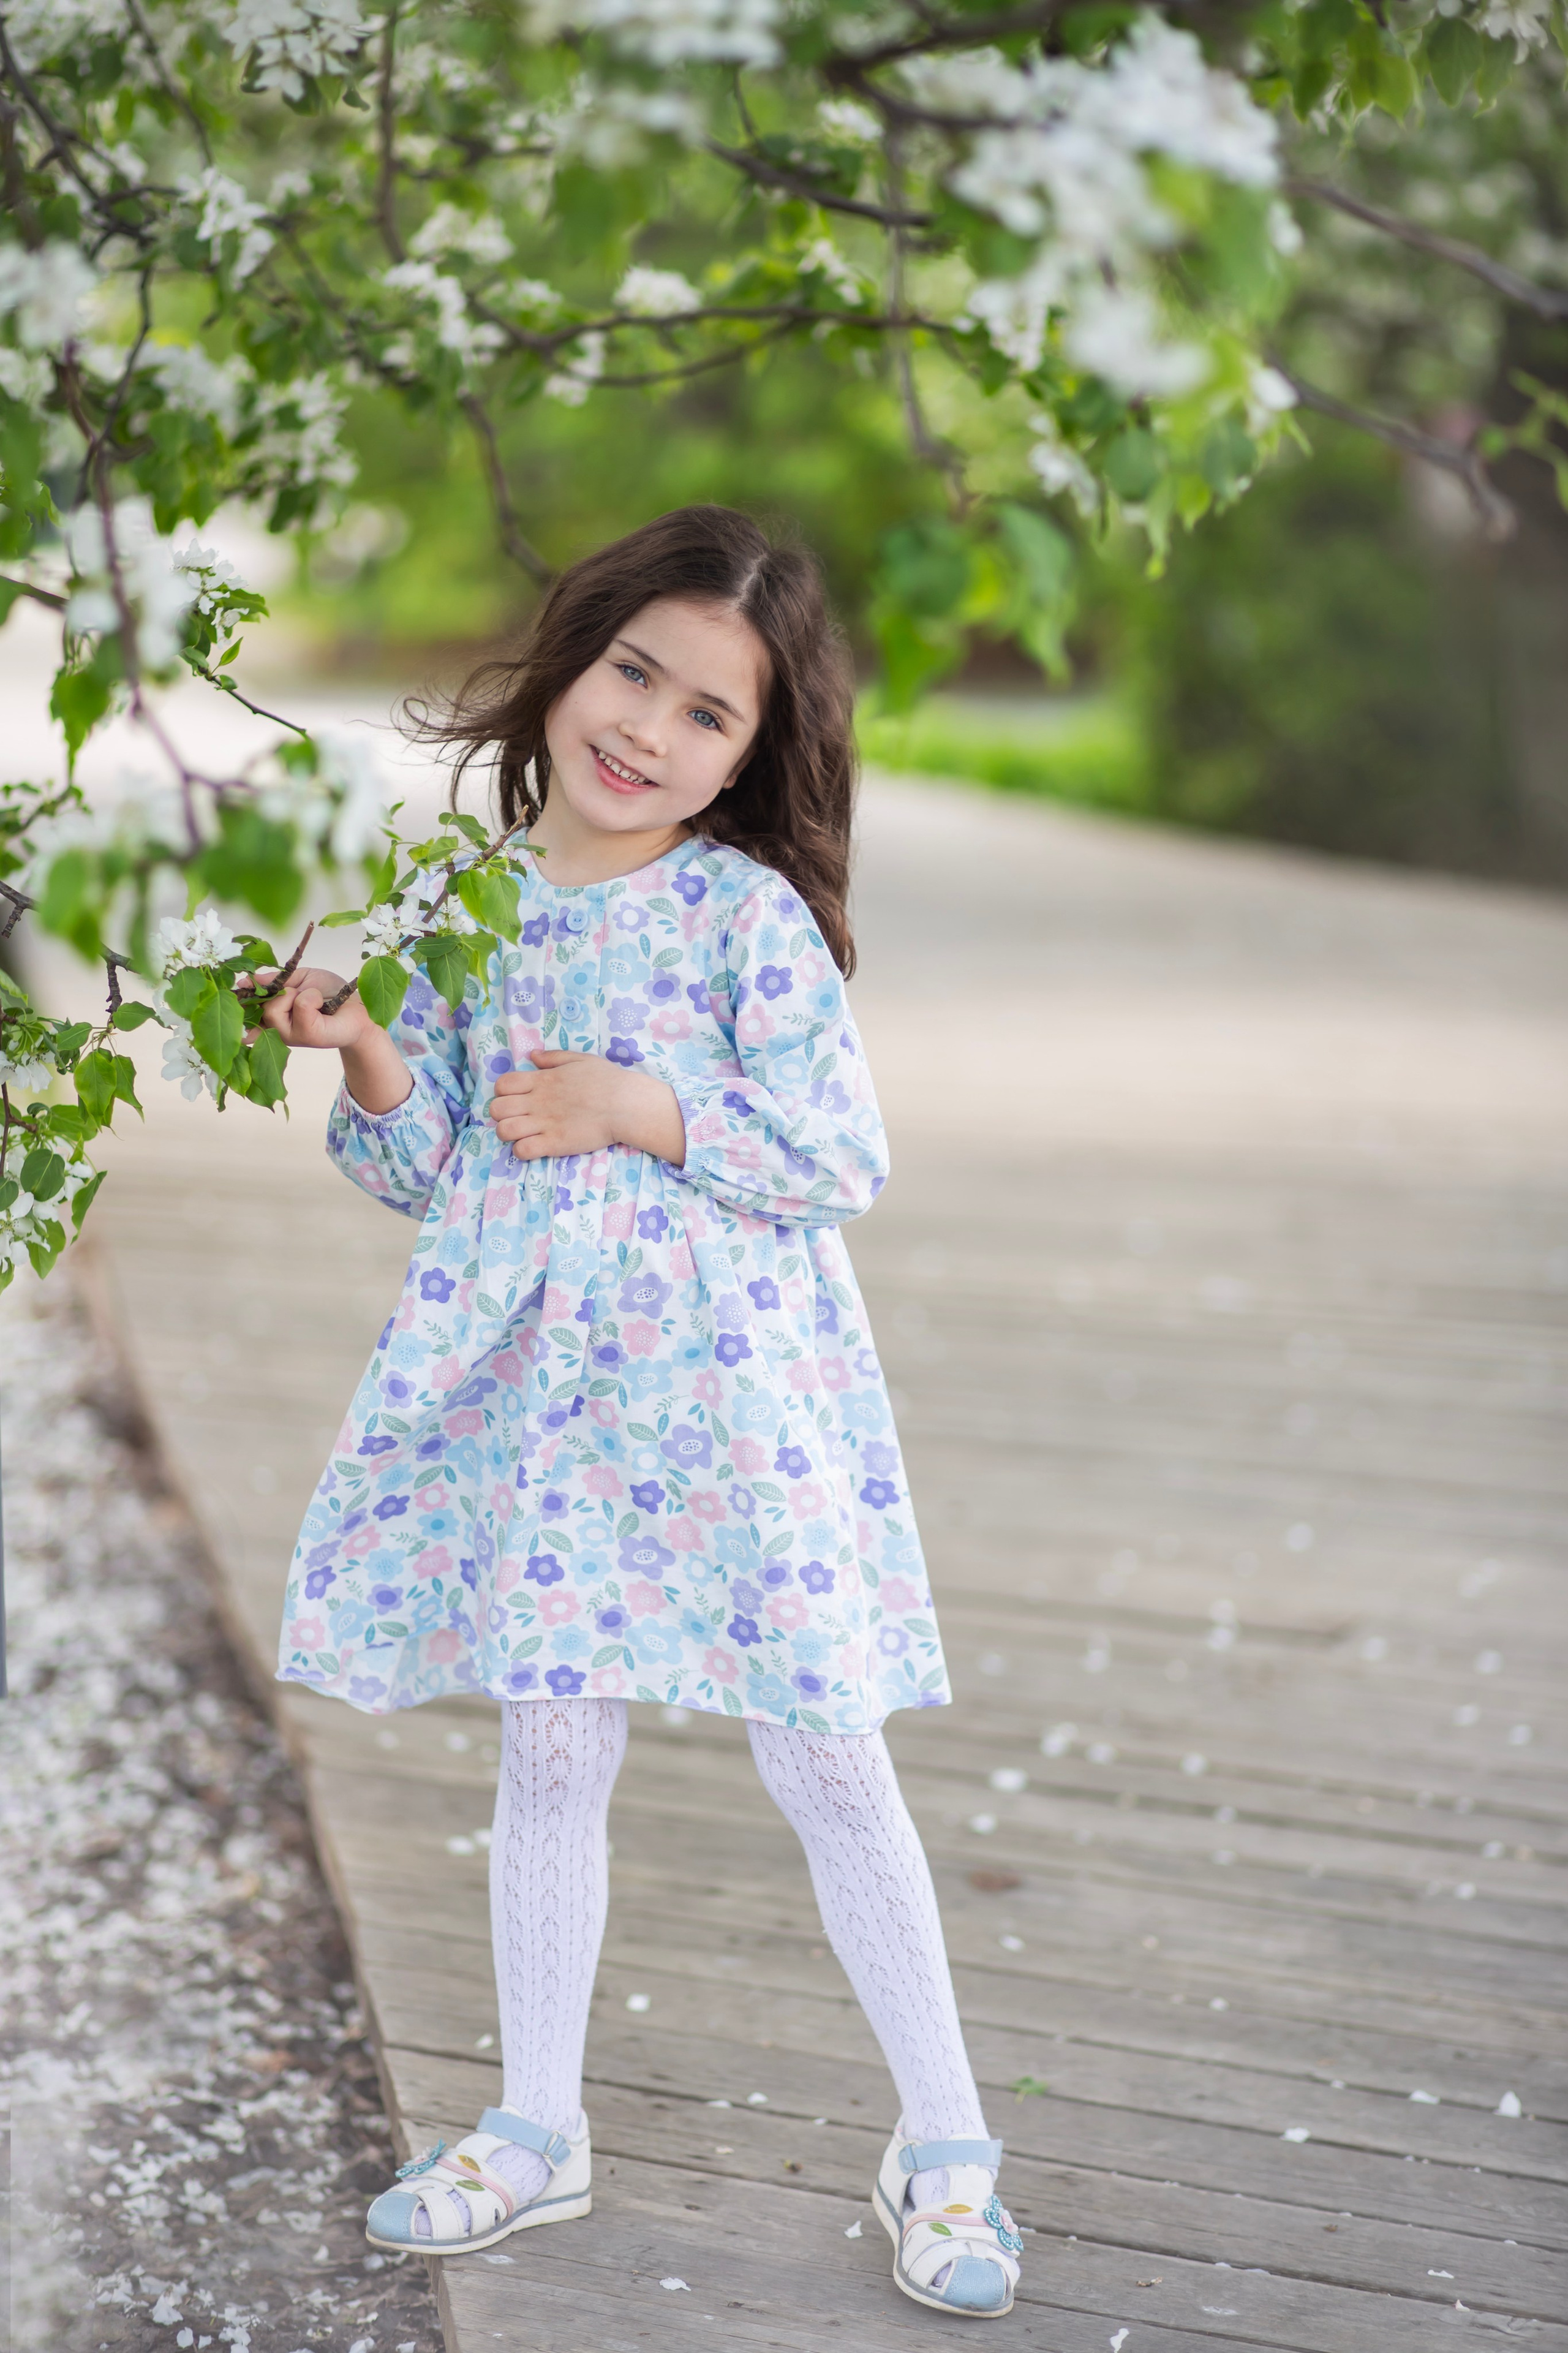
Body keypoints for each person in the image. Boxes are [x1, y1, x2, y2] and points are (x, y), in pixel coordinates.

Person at [260, 505, 1023, 2318]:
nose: (649, 731)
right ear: (575, 653)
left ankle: (949, 2138)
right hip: (546, 1401)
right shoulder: (464, 903)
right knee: (553, 1746)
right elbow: (435, 1157)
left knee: (827, 1746)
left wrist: (641, 1100)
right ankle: (534, 2122)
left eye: (709, 717)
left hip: (730, 1408)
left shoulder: (747, 915)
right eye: (634, 674)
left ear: (751, 758)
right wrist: (363, 1041)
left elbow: (840, 1148)